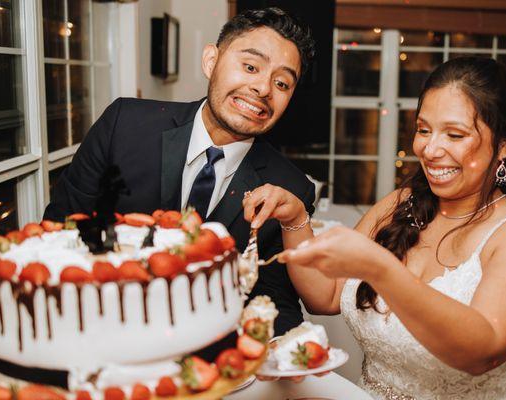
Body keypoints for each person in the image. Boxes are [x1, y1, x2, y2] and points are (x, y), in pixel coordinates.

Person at [244, 57, 506, 398]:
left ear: (504, 144)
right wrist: (294, 219)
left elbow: (483, 352)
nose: (430, 149)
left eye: (454, 134)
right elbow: (326, 296)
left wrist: (382, 270)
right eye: (424, 130)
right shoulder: (401, 203)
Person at [43, 7, 316, 336]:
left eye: (282, 83)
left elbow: (275, 301)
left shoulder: (290, 188)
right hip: (98, 331)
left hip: (212, 362)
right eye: (250, 66)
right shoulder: (124, 125)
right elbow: (60, 231)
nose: (263, 88)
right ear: (211, 61)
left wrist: (293, 353)